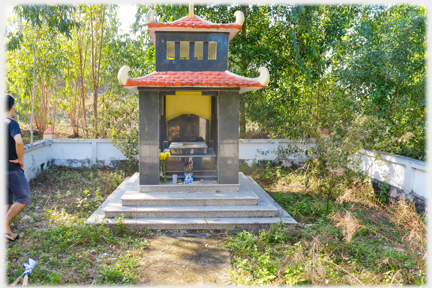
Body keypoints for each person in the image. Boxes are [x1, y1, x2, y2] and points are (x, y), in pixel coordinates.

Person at [5, 94, 31, 242]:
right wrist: (20, 160)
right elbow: (19, 142)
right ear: (13, 107)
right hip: (11, 168)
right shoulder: (11, 123)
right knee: (24, 197)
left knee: (6, 199)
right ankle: (4, 224)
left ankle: (6, 233)